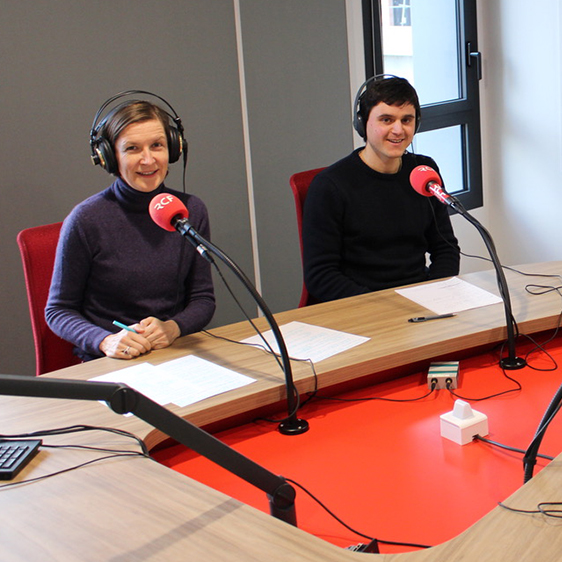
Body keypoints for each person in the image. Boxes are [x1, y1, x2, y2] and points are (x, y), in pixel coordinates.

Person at [45, 92, 216, 361]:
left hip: (173, 354)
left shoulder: (189, 210)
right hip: (110, 359)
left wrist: (173, 327)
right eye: (132, 148)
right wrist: (105, 341)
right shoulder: (85, 220)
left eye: (157, 145)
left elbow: (203, 298)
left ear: (174, 148)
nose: (148, 160)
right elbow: (58, 311)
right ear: (109, 157)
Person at [302, 75, 460, 303]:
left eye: (406, 120)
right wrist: (383, 308)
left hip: (419, 300)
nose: (398, 130)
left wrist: (434, 295)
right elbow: (321, 275)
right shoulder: (330, 186)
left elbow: (446, 248)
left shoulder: (423, 172)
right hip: (361, 305)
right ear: (362, 123)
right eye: (386, 120)